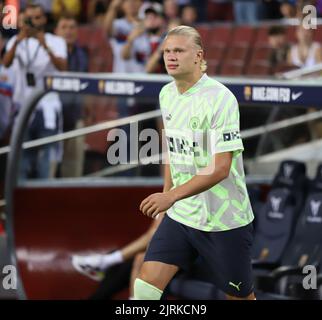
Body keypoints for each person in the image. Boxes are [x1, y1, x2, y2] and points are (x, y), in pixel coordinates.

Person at [134, 25, 255, 300]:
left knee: (239, 298)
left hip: (224, 221)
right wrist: (168, 196)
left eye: (178, 50)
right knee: (145, 287)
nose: (170, 57)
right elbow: (171, 148)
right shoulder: (166, 94)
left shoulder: (221, 99)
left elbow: (221, 168)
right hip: (182, 214)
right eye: (166, 51)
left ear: (199, 56)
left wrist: (171, 197)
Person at [2, 4, 67, 179]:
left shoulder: (56, 41)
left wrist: (45, 46)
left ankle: (44, 202)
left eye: (37, 17)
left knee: (46, 159)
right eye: (29, 18)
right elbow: (5, 63)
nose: (34, 22)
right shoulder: (17, 41)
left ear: (44, 19)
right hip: (23, 107)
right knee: (21, 160)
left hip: (47, 106)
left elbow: (63, 67)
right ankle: (21, 203)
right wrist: (17, 40)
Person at [55, 15, 88, 177]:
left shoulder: (81, 53)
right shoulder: (49, 53)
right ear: (56, 31)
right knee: (50, 168)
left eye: (72, 27)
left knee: (73, 169)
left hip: (75, 115)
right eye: (64, 27)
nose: (68, 31)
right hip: (53, 117)